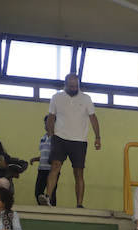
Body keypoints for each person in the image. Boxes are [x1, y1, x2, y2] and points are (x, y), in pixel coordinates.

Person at [38, 74, 101, 208]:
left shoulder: (86, 99)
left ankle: (79, 204)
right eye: (71, 86)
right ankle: (48, 196)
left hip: (79, 140)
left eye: (76, 86)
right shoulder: (57, 97)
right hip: (60, 138)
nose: (74, 88)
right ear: (65, 85)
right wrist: (51, 134)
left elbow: (93, 118)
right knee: (55, 165)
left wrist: (97, 137)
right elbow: (51, 117)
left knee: (78, 172)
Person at [31, 114, 58, 206]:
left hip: (52, 170)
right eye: (45, 123)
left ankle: (53, 212)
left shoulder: (57, 137)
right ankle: (43, 208)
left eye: (47, 123)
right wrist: (35, 159)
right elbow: (44, 154)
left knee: (52, 193)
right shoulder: (43, 137)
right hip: (41, 169)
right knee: (38, 192)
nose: (46, 125)